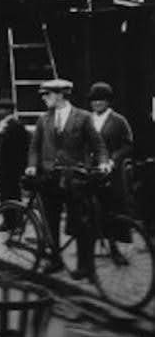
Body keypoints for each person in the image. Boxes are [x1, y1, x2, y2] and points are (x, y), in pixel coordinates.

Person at [25, 79, 111, 279]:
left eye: (47, 95)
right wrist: (31, 165)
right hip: (49, 178)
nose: (44, 99)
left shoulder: (83, 117)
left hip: (74, 178)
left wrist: (104, 162)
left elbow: (99, 145)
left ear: (60, 95)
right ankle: (55, 260)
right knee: (51, 221)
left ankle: (84, 266)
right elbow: (34, 147)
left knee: (80, 222)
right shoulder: (43, 119)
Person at [88, 81, 134, 262]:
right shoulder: (87, 119)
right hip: (91, 171)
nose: (97, 103)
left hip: (111, 173)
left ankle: (114, 249)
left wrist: (113, 159)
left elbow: (128, 144)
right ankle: (89, 253)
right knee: (90, 211)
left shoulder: (118, 120)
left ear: (108, 101)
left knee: (112, 210)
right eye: (94, 100)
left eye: (101, 100)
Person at [0, 99, 30, 230]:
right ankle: (9, 221)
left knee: (12, 194)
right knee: (3, 195)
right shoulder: (2, 124)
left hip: (11, 167)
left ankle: (14, 222)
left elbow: (21, 149)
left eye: (1, 109)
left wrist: (19, 167)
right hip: (2, 167)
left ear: (8, 110)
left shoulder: (15, 125)